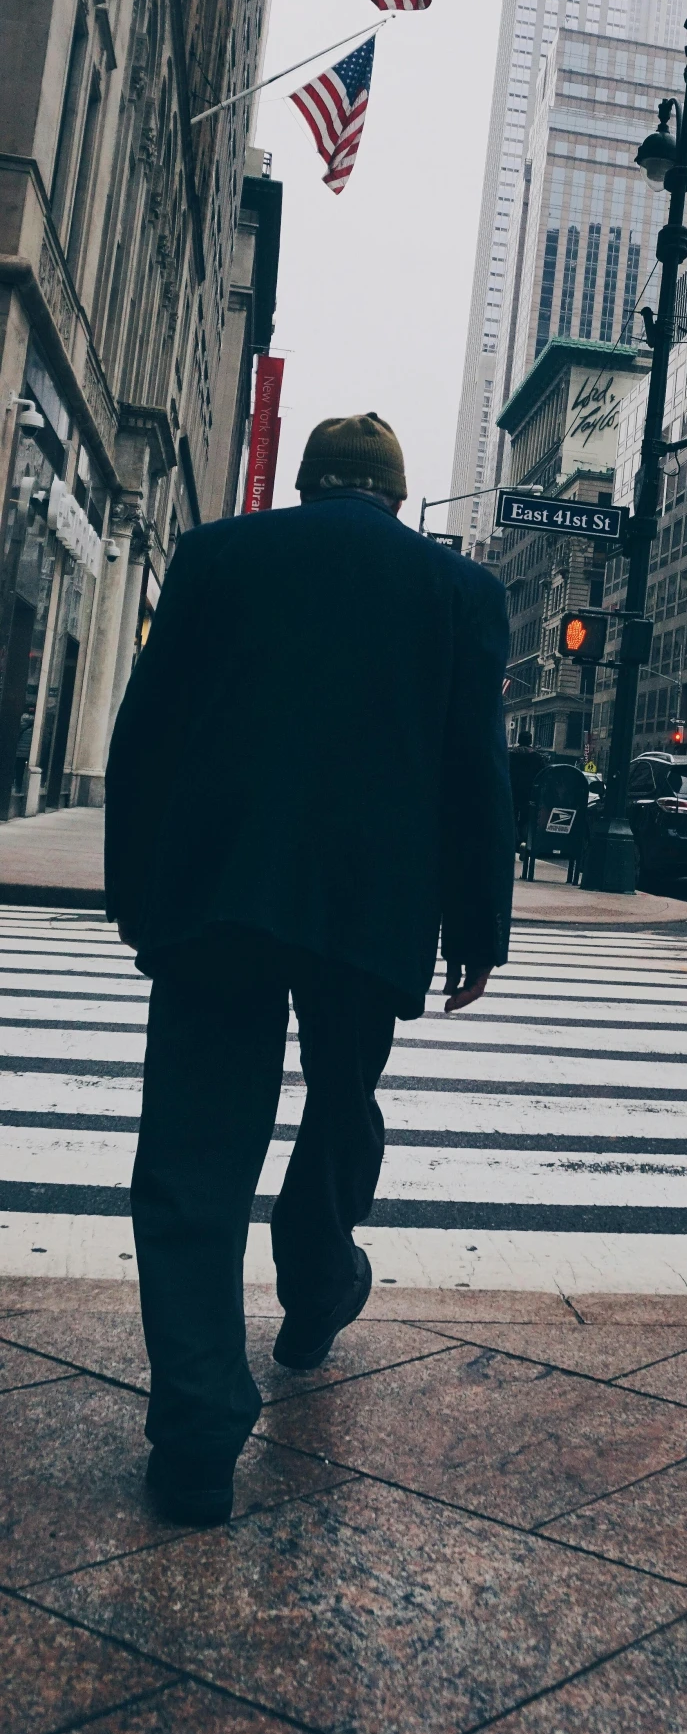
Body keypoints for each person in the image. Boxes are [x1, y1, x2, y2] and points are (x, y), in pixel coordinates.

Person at [106, 414, 513, 1530]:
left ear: (301, 483)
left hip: (219, 898)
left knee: (192, 1157)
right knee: (342, 1106)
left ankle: (195, 1433)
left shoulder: (218, 554)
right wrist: (477, 924)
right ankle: (319, 1284)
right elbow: (475, 770)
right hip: (368, 909)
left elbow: (147, 734)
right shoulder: (458, 592)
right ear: (391, 494)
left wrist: (136, 891)